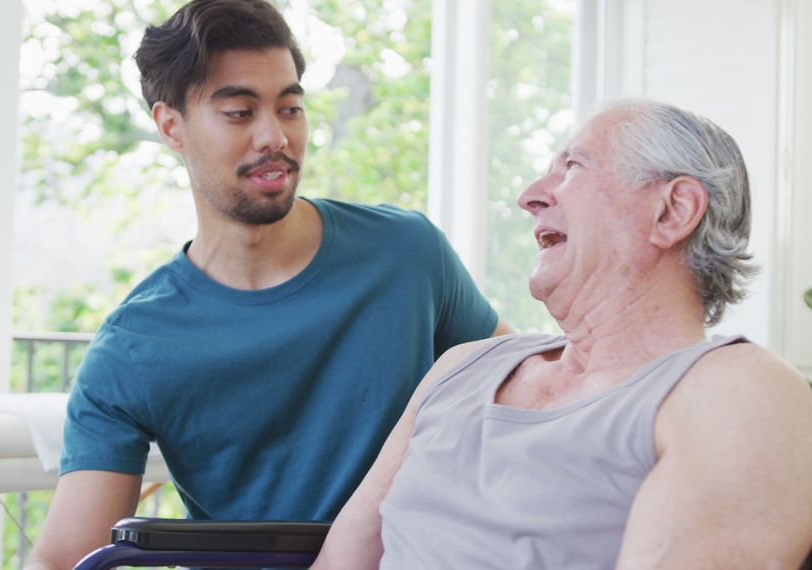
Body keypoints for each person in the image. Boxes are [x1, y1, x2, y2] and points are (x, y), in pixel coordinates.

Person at [25, 1, 510, 568]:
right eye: (238, 112)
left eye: (290, 107)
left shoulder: (408, 256)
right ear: (171, 126)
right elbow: (64, 559)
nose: (274, 136)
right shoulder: (134, 347)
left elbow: (525, 391)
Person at [311, 100, 812, 569]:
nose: (529, 196)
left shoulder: (738, 391)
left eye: (572, 167)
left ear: (672, 212)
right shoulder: (463, 366)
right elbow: (340, 562)